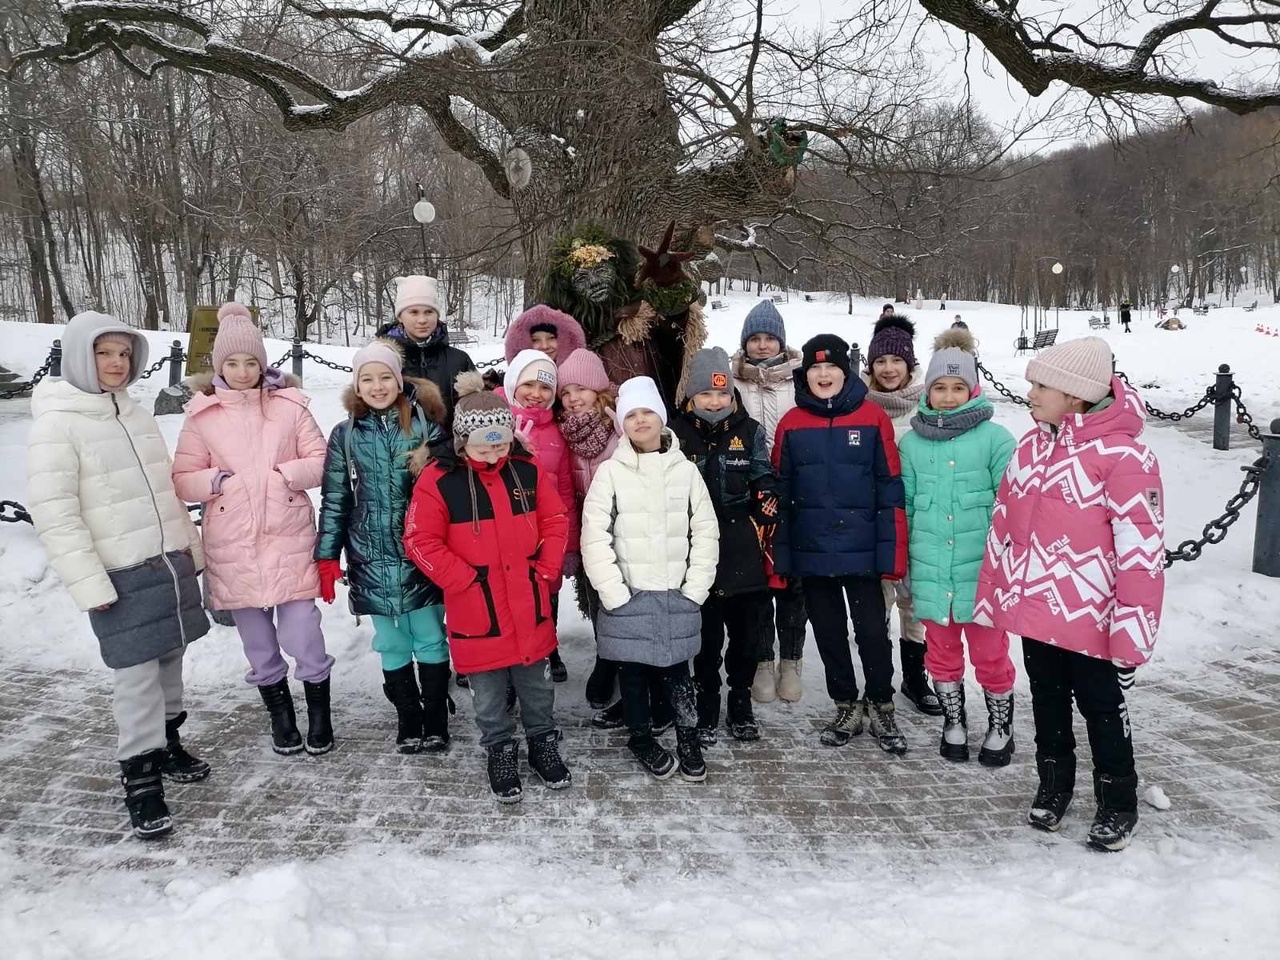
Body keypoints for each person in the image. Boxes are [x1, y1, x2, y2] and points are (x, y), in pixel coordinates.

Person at [975, 337, 1164, 852]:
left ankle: (1118, 800)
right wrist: (995, 592)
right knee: (1047, 700)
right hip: (1038, 609)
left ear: (1076, 396)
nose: (1030, 393)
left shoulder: (1124, 457)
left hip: (1092, 616)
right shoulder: (1032, 446)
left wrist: (1132, 629)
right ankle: (1054, 786)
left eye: (1042, 385)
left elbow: (1141, 553)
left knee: (1102, 707)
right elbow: (1004, 525)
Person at [26, 311, 211, 840]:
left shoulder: (132, 412)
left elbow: (162, 491)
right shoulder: (58, 423)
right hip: (119, 572)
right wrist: (89, 582)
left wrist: (190, 550)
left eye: (124, 354)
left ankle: (168, 743)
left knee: (172, 659)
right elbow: (56, 513)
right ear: (82, 356)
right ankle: (141, 778)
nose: (115, 363)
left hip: (167, 561)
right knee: (135, 678)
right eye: (104, 353)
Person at [172, 303, 335, 757]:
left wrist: (283, 475)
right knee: (258, 642)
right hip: (233, 541)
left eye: (250, 362)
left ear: (263, 364)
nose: (242, 371)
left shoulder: (289, 407)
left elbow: (322, 460)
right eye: (232, 363)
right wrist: (216, 481)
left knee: (303, 632)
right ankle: (281, 717)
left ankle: (319, 713)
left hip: (288, 533)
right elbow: (182, 477)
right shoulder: (201, 417)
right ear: (218, 366)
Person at [403, 373, 571, 802]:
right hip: (477, 609)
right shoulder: (439, 480)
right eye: (484, 447)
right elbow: (419, 540)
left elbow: (554, 520)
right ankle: (498, 748)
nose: (494, 454)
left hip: (528, 600)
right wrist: (463, 580)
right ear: (462, 442)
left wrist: (547, 566)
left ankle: (541, 742)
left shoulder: (527, 470)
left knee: (537, 686)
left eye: (500, 445)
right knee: (489, 695)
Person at [773, 334, 909, 754]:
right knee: (829, 633)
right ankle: (846, 703)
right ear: (805, 375)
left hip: (863, 552)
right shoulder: (791, 423)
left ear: (845, 371)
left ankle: (882, 702)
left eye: (831, 366)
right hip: (813, 554)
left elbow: (890, 489)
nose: (824, 374)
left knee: (871, 632)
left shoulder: (872, 418)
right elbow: (781, 494)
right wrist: (783, 556)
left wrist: (892, 555)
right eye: (815, 368)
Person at [315, 341, 452, 754]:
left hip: (420, 553)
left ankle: (436, 719)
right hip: (369, 555)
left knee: (429, 635)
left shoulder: (425, 426)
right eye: (367, 379)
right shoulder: (345, 435)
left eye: (385, 377)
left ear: (399, 380)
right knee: (391, 642)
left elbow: (448, 490)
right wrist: (326, 555)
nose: (377, 386)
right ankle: (408, 716)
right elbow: (336, 498)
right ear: (357, 385)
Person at [581, 377, 719, 781]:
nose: (640, 421)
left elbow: (705, 531)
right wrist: (613, 591)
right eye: (631, 414)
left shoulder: (686, 471)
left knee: (679, 673)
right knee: (633, 674)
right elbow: (595, 534)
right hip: (629, 595)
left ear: (661, 418)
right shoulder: (610, 473)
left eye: (647, 413)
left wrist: (695, 589)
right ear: (621, 422)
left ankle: (688, 737)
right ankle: (640, 736)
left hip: (677, 592)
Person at [898, 329, 1017, 765]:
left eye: (957, 388)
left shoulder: (996, 440)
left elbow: (1013, 510)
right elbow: (906, 508)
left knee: (990, 654)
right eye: (940, 388)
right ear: (928, 390)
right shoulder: (911, 443)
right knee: (941, 653)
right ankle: (954, 720)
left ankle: (1000, 724)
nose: (948, 397)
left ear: (973, 389)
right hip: (931, 571)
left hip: (981, 575)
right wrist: (904, 566)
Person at [672, 348, 777, 744]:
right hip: (695, 545)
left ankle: (740, 698)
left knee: (746, 632)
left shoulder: (749, 431)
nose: (715, 403)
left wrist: (768, 496)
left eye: (722, 394)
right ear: (691, 398)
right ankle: (707, 697)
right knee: (707, 633)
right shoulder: (676, 432)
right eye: (706, 395)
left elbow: (762, 473)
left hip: (741, 543)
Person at [861, 314, 942, 717]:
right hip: (876, 521)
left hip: (919, 519)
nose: (889, 369)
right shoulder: (860, 406)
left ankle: (915, 677)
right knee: (877, 605)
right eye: (880, 362)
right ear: (870, 367)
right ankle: (878, 682)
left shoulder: (929, 406)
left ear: (910, 366)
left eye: (896, 361)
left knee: (915, 604)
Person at [730, 300, 807, 705]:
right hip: (750, 493)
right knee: (757, 581)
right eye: (755, 339)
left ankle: (791, 660)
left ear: (780, 340)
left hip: (795, 491)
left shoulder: (800, 380)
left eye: (769, 338)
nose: (762, 346)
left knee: (793, 581)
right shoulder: (733, 380)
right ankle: (762, 660)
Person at [500, 349, 579, 682]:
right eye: (528, 384)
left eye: (545, 387)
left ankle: (550, 648)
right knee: (506, 596)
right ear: (513, 383)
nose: (536, 393)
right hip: (502, 533)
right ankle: (506, 656)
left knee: (546, 593)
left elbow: (563, 491)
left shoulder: (556, 434)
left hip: (543, 534)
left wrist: (568, 545)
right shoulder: (496, 421)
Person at [375, 275, 476, 435]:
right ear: (400, 316)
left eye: (429, 312)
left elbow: (474, 411)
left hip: (449, 451)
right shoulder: (382, 359)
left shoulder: (459, 359)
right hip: (400, 451)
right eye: (413, 312)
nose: (422, 319)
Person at [503, 303, 586, 367]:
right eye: (535, 340)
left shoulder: (582, 379)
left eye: (551, 338)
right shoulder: (514, 383)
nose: (545, 346)